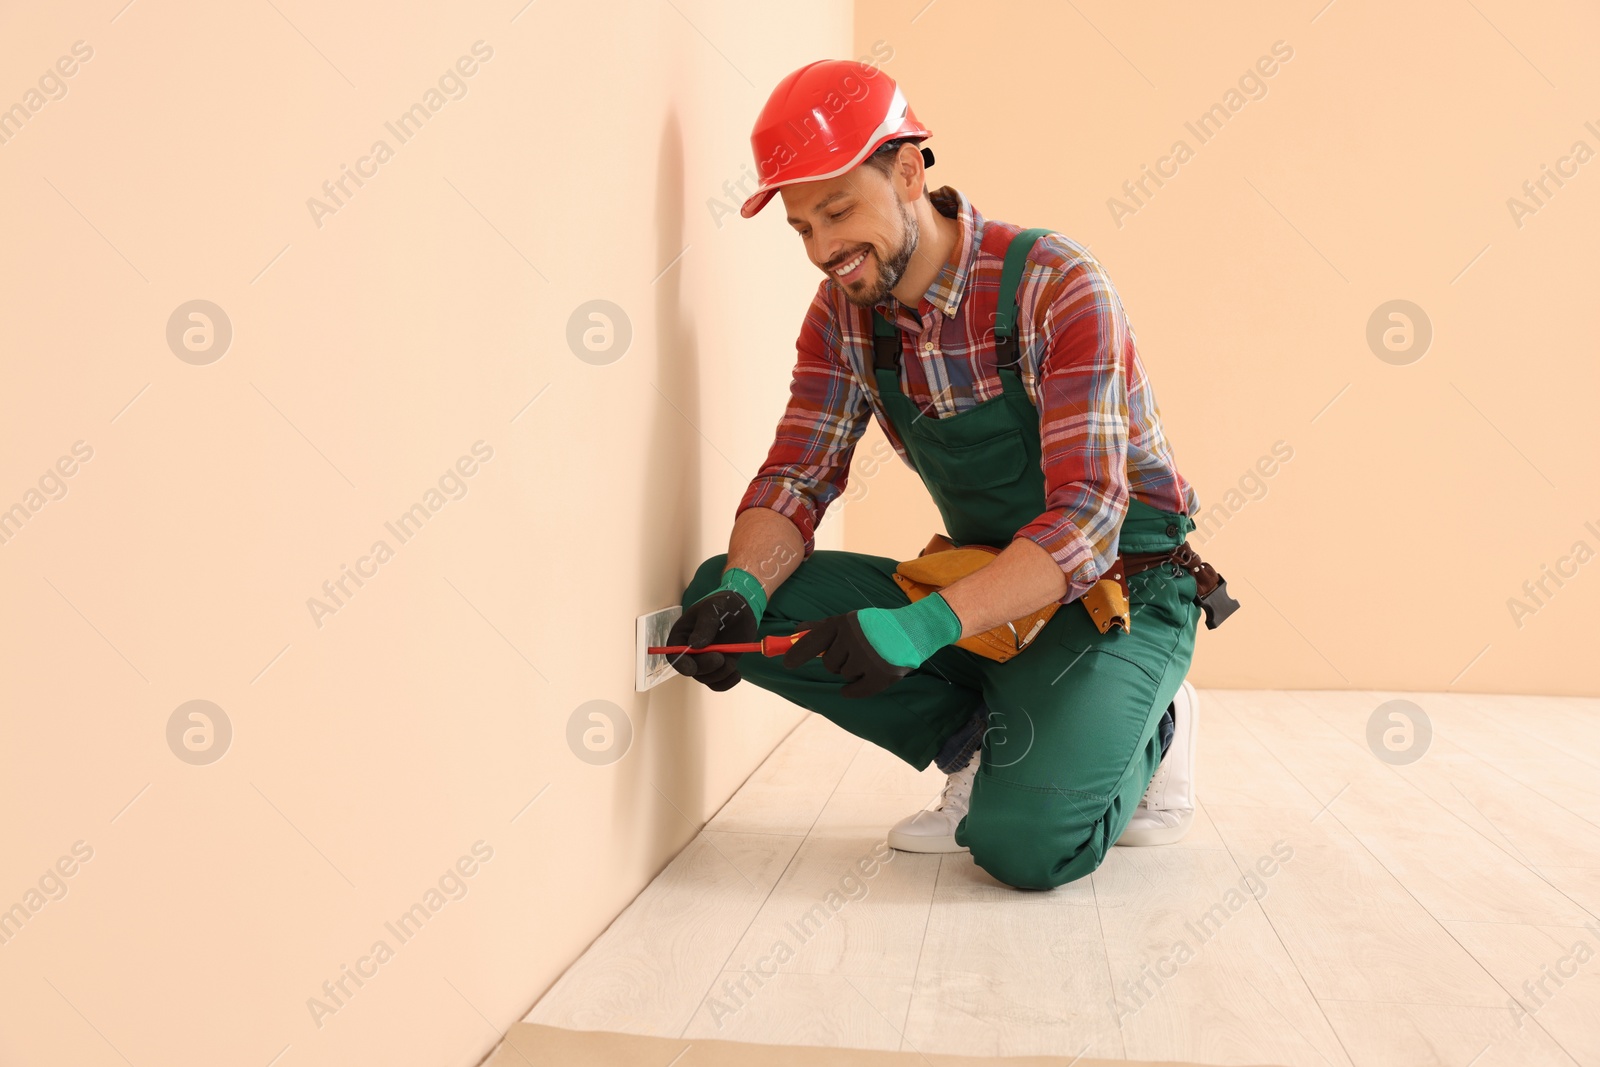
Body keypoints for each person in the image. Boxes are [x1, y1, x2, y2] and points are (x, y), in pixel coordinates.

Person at [670, 59, 1208, 891]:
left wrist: (920, 630)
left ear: (911, 169)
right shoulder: (844, 318)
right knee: (731, 592)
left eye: (839, 210)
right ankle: (987, 742)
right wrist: (742, 588)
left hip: (1123, 591)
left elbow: (1087, 522)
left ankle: (1154, 726)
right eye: (803, 227)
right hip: (991, 596)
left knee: (1023, 850)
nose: (823, 251)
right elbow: (796, 476)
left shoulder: (1055, 285)